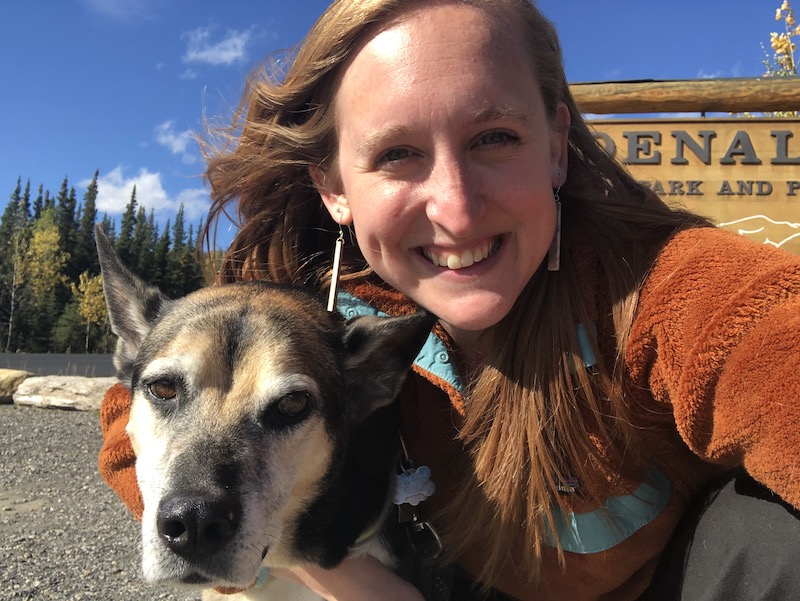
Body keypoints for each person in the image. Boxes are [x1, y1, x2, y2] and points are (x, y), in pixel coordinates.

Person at [98, 0, 800, 599]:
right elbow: (136, 416)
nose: (457, 210)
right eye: (398, 153)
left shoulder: (665, 293)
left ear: (556, 145)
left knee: (772, 538)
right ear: (334, 185)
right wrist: (340, 573)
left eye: (494, 137)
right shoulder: (286, 313)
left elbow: (773, 338)